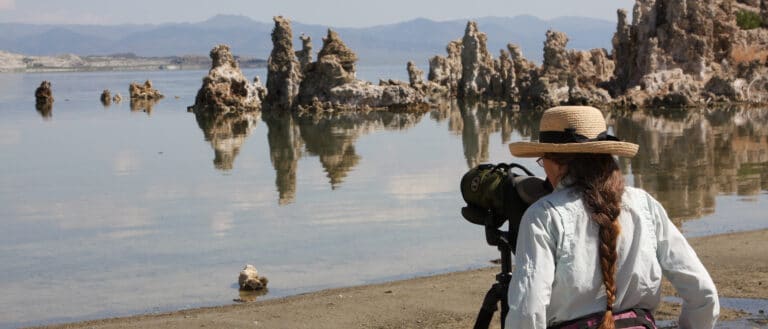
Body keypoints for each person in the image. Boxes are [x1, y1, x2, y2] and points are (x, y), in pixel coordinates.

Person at [504, 106, 719, 329]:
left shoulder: (544, 215)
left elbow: (527, 311)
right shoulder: (644, 204)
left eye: (542, 161)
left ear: (556, 163)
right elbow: (703, 294)